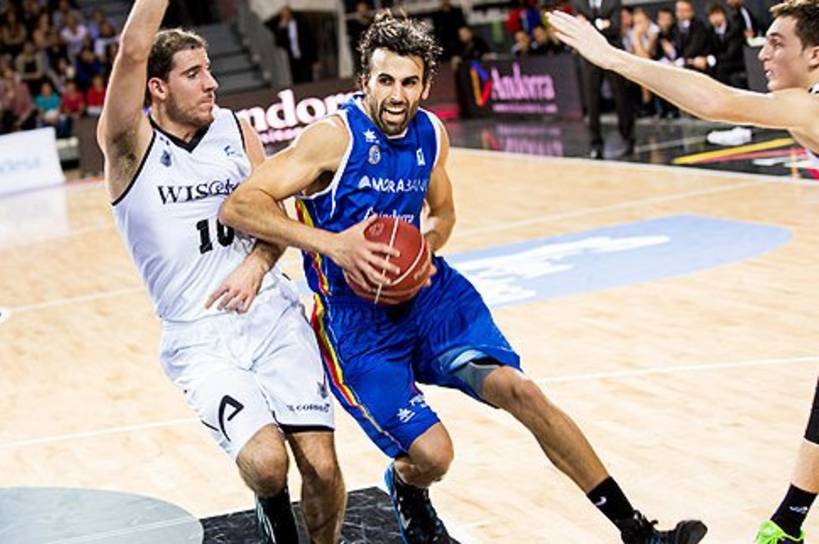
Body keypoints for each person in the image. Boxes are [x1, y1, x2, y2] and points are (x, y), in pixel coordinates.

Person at [220, 10, 708, 544]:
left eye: (409, 82)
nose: (397, 96)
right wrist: (335, 245)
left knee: (523, 392)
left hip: (431, 297)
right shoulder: (331, 140)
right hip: (357, 325)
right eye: (385, 81)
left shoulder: (430, 133)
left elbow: (444, 214)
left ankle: (636, 531)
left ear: (426, 85)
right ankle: (408, 486)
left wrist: (423, 250)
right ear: (364, 81)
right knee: (434, 456)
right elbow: (240, 205)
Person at [548, 2, 819, 543]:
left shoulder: (809, 107)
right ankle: (787, 523)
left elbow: (714, 100)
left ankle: (786, 524)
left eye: (776, 43)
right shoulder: (802, 106)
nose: (763, 53)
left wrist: (614, 58)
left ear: (815, 55)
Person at [97, 1, 347, 542]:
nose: (211, 83)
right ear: (157, 88)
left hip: (272, 316)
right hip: (199, 338)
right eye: (193, 74)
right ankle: (272, 508)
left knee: (323, 467)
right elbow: (134, 49)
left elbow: (274, 219)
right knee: (267, 465)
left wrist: (257, 264)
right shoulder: (129, 147)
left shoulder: (235, 130)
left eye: (209, 70)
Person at [571, 0, 636, 159]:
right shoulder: (578, 3)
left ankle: (628, 139)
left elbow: (615, 27)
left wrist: (591, 25)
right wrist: (601, 24)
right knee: (592, 101)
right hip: (589, 57)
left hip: (612, 53)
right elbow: (579, 29)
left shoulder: (613, 1)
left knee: (621, 97)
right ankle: (595, 143)